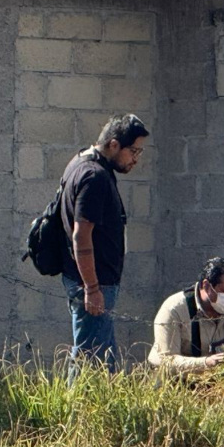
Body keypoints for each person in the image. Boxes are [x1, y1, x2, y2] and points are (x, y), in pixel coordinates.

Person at [60, 113, 150, 374]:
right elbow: (81, 234)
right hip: (92, 283)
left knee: (102, 358)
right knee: (91, 361)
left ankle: (98, 411)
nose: (135, 159)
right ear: (113, 144)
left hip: (92, 281)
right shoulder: (94, 176)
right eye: (133, 151)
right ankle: (80, 414)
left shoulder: (82, 162)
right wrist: (92, 288)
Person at [149, 257, 224, 374]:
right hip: (178, 382)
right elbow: (166, 361)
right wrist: (205, 363)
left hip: (223, 382)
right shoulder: (175, 309)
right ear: (206, 286)